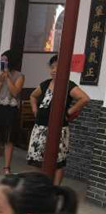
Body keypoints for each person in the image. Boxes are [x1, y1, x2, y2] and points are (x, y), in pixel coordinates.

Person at [27, 55, 90, 185]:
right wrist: (34, 109)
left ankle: (54, 189)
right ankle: (39, 186)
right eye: (52, 67)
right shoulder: (45, 84)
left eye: (58, 67)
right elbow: (33, 96)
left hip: (59, 129)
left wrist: (68, 112)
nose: (54, 70)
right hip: (40, 127)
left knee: (58, 161)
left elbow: (84, 98)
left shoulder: (68, 85)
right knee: (36, 158)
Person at [0, 50, 25, 175]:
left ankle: (7, 167)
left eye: (5, 60)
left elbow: (15, 92)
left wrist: (8, 77)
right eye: (2, 60)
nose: (2, 62)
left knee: (9, 139)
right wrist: (0, 80)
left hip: (11, 109)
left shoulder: (19, 76)